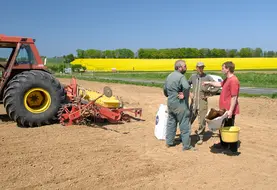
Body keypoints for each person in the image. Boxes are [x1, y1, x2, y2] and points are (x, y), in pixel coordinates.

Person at [202, 61, 240, 152]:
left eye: (223, 68)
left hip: (229, 109)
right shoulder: (227, 79)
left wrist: (230, 111)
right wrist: (208, 82)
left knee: (229, 128)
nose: (221, 69)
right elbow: (219, 84)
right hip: (224, 109)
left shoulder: (233, 80)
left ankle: (232, 148)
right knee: (223, 127)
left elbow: (234, 97)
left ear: (228, 69)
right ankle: (224, 144)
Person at [163, 59, 196, 151]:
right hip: (180, 104)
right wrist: (184, 95)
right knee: (184, 124)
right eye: (185, 66)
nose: (186, 68)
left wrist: (170, 95)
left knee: (171, 122)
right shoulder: (181, 77)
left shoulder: (169, 76)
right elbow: (186, 87)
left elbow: (165, 90)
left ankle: (169, 142)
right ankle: (186, 146)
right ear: (180, 67)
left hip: (170, 103)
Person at [188, 62, 216, 145]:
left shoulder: (207, 77)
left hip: (202, 101)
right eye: (199, 67)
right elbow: (186, 85)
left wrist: (209, 94)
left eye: (202, 67)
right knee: (189, 118)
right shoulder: (193, 77)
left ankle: (200, 137)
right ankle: (185, 135)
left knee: (202, 120)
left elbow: (216, 87)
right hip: (194, 102)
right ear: (196, 68)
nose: (200, 69)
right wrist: (189, 93)